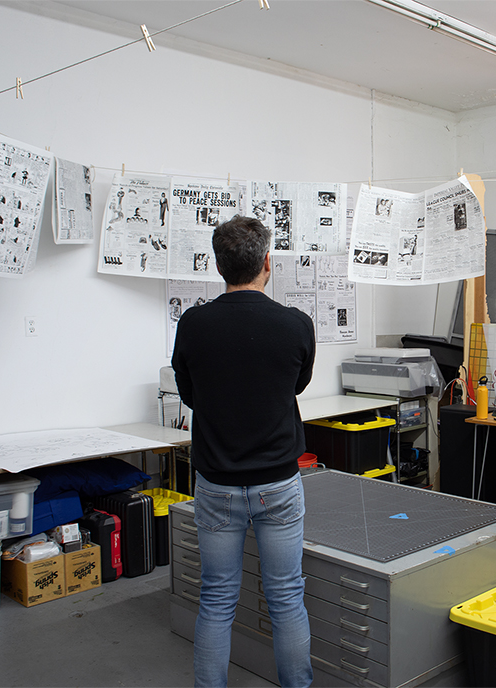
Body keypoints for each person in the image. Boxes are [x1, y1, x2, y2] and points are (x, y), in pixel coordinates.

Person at [171, 214, 315, 688]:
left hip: (217, 484)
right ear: (267, 263)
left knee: (216, 599)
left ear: (219, 266)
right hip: (278, 482)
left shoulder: (193, 325)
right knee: (286, 598)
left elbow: (189, 394)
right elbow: (296, 385)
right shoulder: (296, 324)